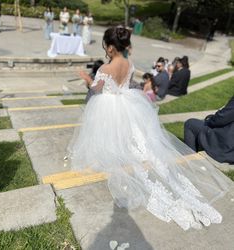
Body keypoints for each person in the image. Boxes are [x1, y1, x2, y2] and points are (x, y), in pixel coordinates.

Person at [66, 26, 231, 231]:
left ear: (109, 48)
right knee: (138, 141)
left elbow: (96, 90)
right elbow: (125, 83)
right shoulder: (130, 63)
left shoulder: (104, 70)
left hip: (109, 108)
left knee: (114, 141)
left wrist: (86, 78)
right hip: (129, 105)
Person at [184, 96, 234, 164]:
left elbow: (221, 119)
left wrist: (210, 120)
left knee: (190, 124)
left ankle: (190, 164)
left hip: (228, 146)